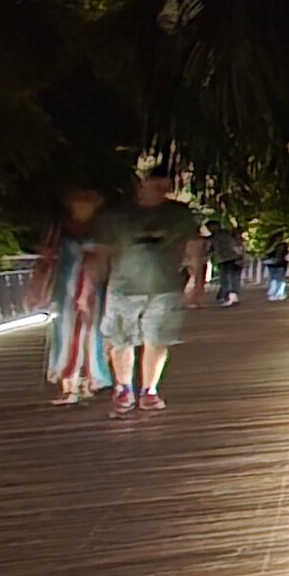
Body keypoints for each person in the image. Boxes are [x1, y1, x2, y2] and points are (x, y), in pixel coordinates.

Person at [94, 164, 207, 414]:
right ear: (142, 184)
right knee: (120, 340)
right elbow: (103, 252)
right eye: (157, 184)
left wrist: (196, 280)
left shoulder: (179, 215)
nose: (162, 190)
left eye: (166, 185)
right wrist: (96, 284)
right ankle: (124, 388)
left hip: (165, 286)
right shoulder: (118, 216)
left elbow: (195, 247)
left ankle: (149, 390)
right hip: (123, 287)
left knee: (157, 339)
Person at [32, 187, 114, 403]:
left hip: (95, 289)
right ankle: (69, 384)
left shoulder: (104, 230)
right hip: (65, 289)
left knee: (93, 334)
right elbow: (45, 257)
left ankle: (90, 381)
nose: (82, 208)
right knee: (65, 334)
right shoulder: (59, 229)